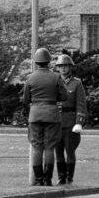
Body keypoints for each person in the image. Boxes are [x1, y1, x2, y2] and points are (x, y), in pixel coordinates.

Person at [23, 48, 67, 186]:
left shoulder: (30, 78)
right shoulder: (56, 77)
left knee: (37, 147)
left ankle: (38, 179)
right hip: (52, 114)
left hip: (35, 114)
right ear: (49, 61)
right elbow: (63, 96)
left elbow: (25, 99)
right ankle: (48, 179)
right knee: (49, 147)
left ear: (36, 62)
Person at [54, 53, 87, 185]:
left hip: (70, 121)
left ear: (70, 67)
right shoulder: (54, 82)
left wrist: (79, 122)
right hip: (56, 121)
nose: (62, 68)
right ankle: (61, 178)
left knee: (70, 150)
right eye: (60, 66)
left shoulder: (76, 83)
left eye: (65, 66)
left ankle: (69, 178)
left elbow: (81, 104)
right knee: (58, 151)